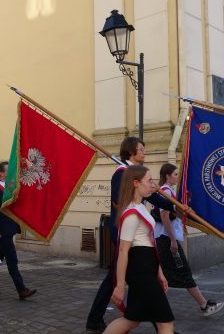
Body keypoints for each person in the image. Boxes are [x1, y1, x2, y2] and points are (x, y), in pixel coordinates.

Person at [86, 137, 178, 333]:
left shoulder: (139, 181)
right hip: (129, 237)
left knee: (133, 315)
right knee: (119, 279)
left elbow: (152, 196)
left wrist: (175, 207)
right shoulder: (122, 174)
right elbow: (118, 201)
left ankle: (95, 318)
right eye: (141, 149)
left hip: (142, 248)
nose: (144, 152)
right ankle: (162, 325)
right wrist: (121, 286)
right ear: (131, 153)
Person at [104, 165, 174, 334]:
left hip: (146, 266)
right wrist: (120, 285)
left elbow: (149, 243)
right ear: (136, 183)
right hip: (140, 270)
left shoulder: (141, 207)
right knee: (165, 321)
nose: (153, 184)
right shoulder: (132, 213)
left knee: (132, 319)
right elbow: (123, 251)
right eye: (149, 180)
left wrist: (160, 272)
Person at [154, 163, 224, 316]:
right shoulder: (165, 191)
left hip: (165, 238)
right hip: (165, 239)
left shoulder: (169, 191)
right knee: (183, 272)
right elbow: (164, 217)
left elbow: (173, 215)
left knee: (168, 274)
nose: (177, 177)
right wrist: (172, 240)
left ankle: (155, 308)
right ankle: (204, 305)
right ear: (167, 176)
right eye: (175, 174)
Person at [0, 161, 37, 300]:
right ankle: (21, 289)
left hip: (9, 228)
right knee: (12, 260)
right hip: (2, 230)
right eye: (8, 170)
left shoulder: (10, 188)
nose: (11, 172)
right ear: (1, 173)